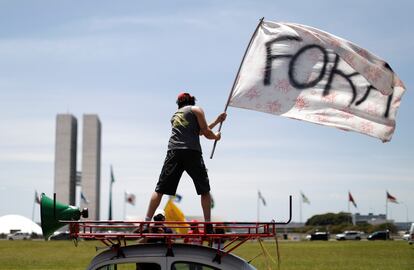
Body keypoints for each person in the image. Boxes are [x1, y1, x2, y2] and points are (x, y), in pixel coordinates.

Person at [144, 92, 226, 233]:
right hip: (192, 152)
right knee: (204, 190)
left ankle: (145, 223)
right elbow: (206, 133)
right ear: (192, 101)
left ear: (179, 103)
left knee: (160, 189)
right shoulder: (196, 109)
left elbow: (198, 131)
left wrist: (217, 121)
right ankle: (207, 225)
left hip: (173, 152)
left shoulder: (175, 116)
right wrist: (216, 137)